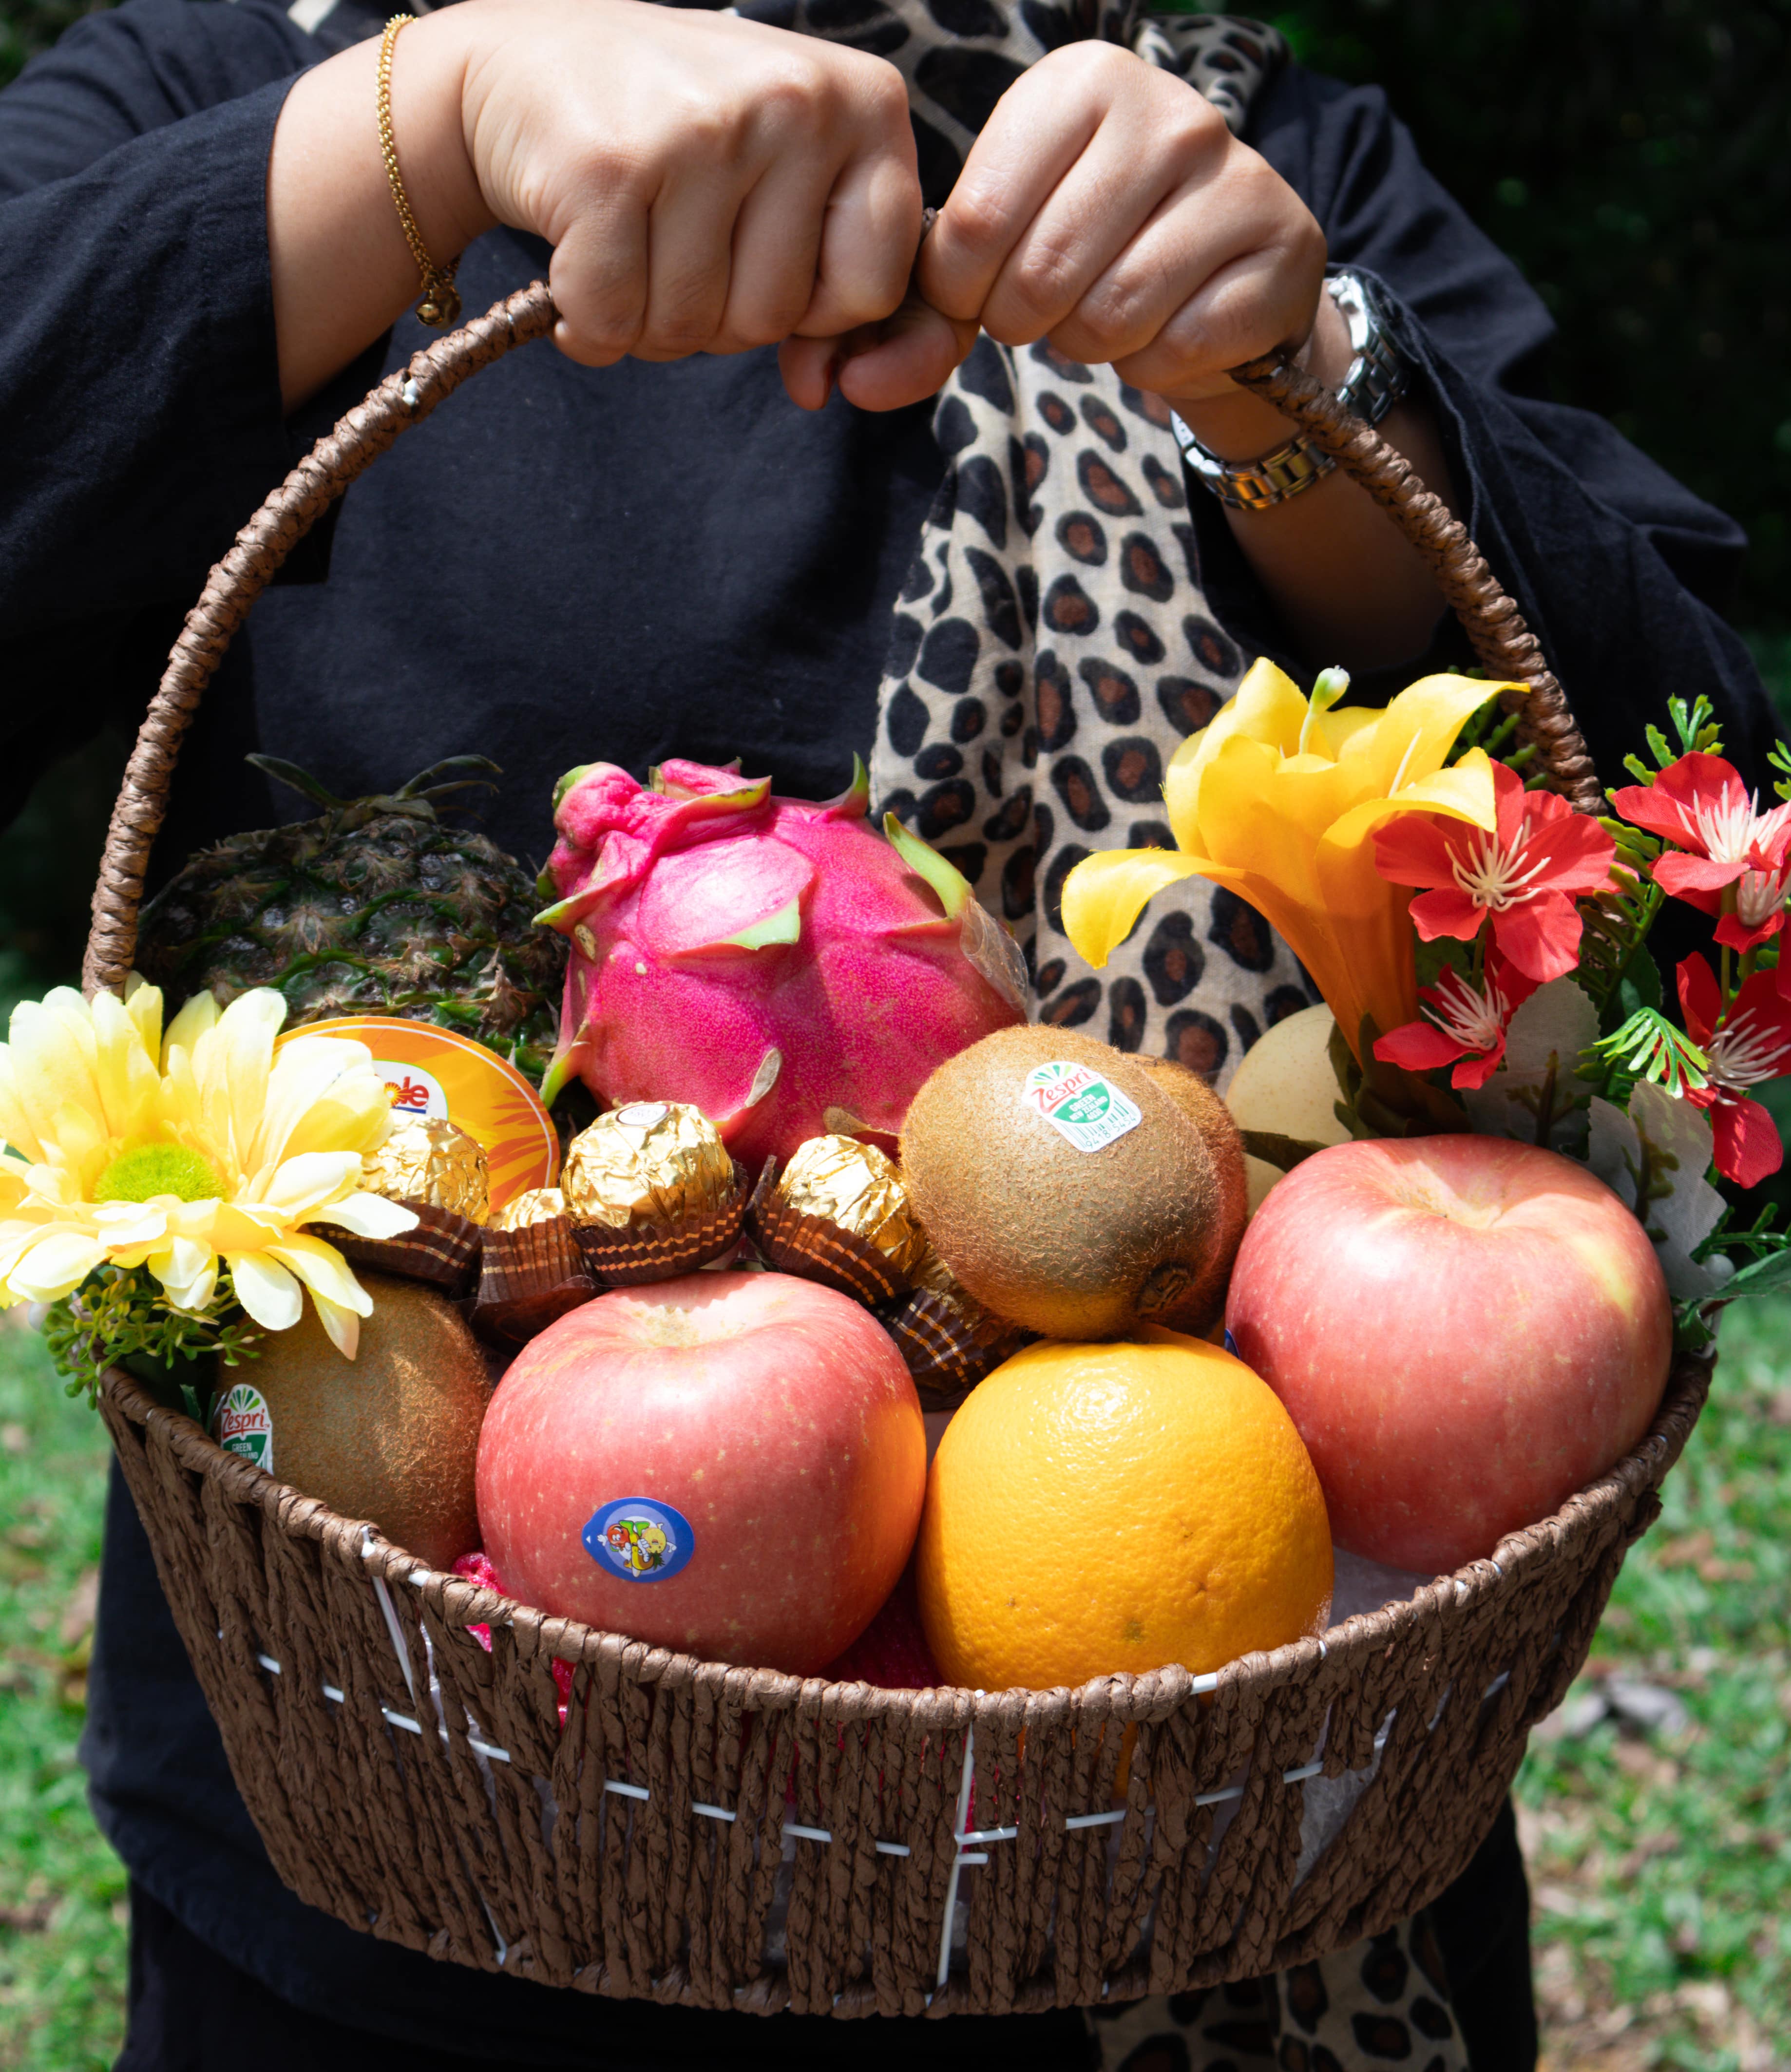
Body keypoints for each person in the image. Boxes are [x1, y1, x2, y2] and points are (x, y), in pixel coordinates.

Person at [0, 0, 1774, 2065]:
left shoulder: (1234, 148)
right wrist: (433, 118)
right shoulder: (235, 82)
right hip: (406, 1918)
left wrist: (1291, 388)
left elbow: (1695, 851)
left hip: (1210, 1875)